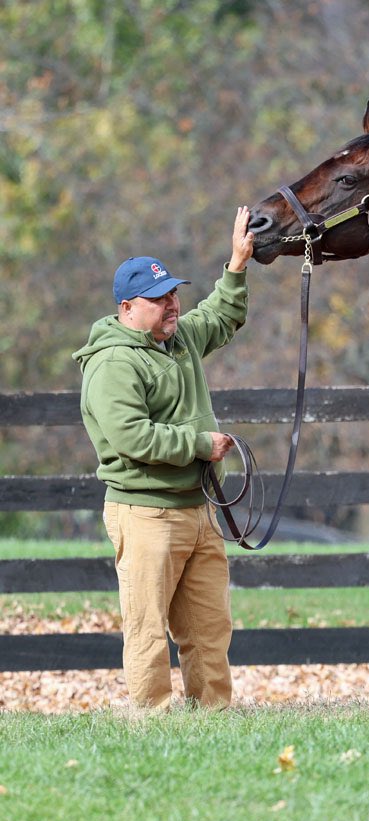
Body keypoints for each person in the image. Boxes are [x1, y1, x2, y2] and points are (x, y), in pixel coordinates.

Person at [73, 207, 255, 710]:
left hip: (198, 510)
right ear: (128, 307)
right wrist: (201, 445)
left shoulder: (179, 339)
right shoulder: (112, 363)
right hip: (146, 512)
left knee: (210, 627)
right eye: (159, 299)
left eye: (173, 293)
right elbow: (133, 437)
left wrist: (237, 263)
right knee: (148, 628)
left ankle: (213, 714)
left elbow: (221, 315)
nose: (172, 304)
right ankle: (152, 720)